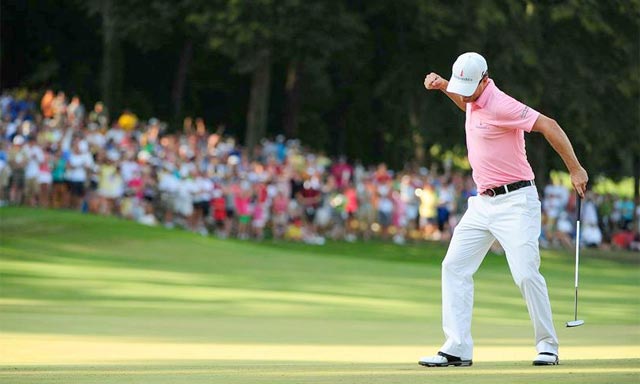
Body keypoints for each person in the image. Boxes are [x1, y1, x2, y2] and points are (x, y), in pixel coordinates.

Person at [419, 52, 588, 367]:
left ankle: (547, 345)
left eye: (469, 87)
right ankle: (457, 347)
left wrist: (575, 169)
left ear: (485, 79)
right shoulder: (472, 98)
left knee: (525, 274)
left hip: (516, 202)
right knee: (454, 266)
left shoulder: (503, 104)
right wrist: (444, 87)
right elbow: (468, 106)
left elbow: (549, 126)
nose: (465, 93)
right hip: (482, 204)